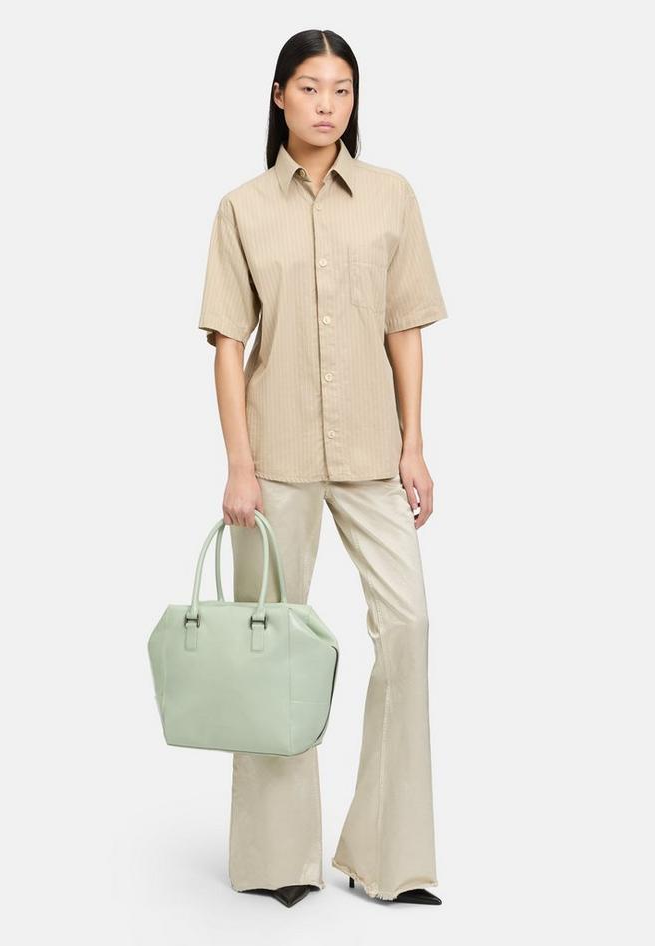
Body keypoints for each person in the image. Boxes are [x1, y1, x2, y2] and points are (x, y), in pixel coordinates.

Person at [196, 29, 448, 908]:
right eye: (310, 87)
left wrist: (414, 445)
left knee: (407, 626)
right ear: (279, 96)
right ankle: (278, 859)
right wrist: (239, 465)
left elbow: (404, 327)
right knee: (269, 647)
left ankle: (389, 856)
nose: (327, 104)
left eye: (342, 89)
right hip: (276, 459)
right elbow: (228, 346)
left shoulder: (391, 197)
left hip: (374, 453)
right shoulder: (241, 209)